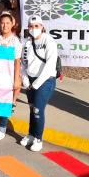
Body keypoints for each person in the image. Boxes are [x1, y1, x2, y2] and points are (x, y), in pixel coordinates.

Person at [20, 16, 58, 152]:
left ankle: (38, 138)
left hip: (45, 80)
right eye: (31, 26)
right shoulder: (27, 43)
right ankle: (31, 134)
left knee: (37, 109)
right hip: (30, 80)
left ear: (42, 27)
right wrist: (25, 79)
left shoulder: (49, 41)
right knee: (32, 108)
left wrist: (36, 84)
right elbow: (23, 64)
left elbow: (50, 65)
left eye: (37, 26)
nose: (34, 29)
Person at [0, 12, 23, 140]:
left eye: (7, 23)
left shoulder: (15, 41)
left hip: (8, 76)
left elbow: (17, 61)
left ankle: (2, 127)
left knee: (5, 102)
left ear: (12, 24)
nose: (4, 25)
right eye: (2, 23)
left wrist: (16, 80)